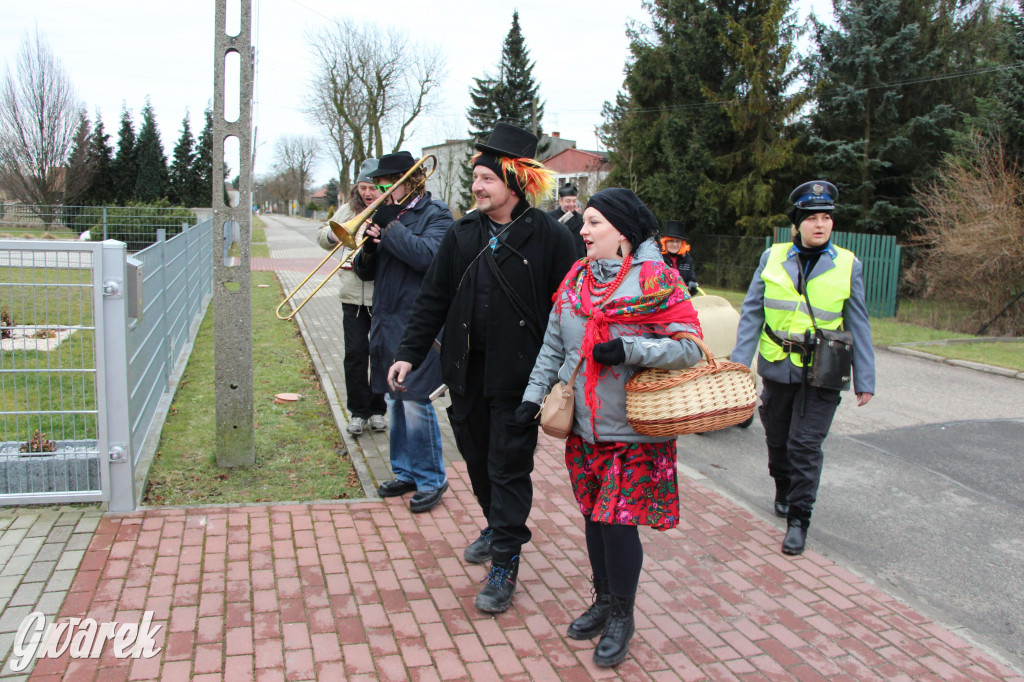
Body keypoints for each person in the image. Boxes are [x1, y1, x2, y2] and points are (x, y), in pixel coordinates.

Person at [387, 122, 577, 613]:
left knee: (508, 466)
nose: (477, 186)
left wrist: (566, 373)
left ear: (514, 182)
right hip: (465, 372)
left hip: (521, 379)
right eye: (475, 178)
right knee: (475, 459)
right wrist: (408, 352)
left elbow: (570, 311)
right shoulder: (462, 233)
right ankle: (496, 525)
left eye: (487, 179)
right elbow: (433, 298)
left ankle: (506, 560)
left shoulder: (552, 238)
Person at [519, 188, 704, 667]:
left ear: (622, 230)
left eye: (595, 222)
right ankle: (603, 601)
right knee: (595, 519)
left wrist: (630, 350)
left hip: (634, 431)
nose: (583, 230)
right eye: (584, 222)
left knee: (619, 524)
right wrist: (530, 399)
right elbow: (553, 349)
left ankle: (623, 613)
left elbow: (690, 348)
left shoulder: (656, 278)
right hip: (584, 429)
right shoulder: (578, 278)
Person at [731, 180, 875, 556]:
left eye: (826, 217)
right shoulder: (772, 257)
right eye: (812, 217)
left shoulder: (848, 264)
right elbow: (752, 313)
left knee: (805, 445)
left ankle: (799, 519)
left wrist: (866, 378)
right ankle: (782, 485)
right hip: (778, 365)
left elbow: (858, 323)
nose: (820, 224)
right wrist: (738, 365)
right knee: (777, 438)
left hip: (824, 371)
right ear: (798, 223)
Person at [351, 151, 453, 513]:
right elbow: (367, 274)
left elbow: (428, 257)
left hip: (418, 325)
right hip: (386, 319)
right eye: (379, 183)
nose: (379, 189)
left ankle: (431, 479)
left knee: (414, 401)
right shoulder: (389, 213)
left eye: (386, 182)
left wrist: (392, 228)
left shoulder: (436, 214)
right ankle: (406, 472)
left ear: (409, 180)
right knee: (394, 401)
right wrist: (367, 251)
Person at [316, 159, 386, 436]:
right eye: (364, 187)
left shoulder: (390, 209)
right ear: (357, 188)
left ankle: (378, 410)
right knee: (355, 355)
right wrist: (339, 235)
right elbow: (323, 235)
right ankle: (359, 412)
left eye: (373, 187)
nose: (368, 193)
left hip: (381, 295)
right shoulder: (348, 209)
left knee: (380, 356)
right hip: (352, 296)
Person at [661, 219, 698, 295]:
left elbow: (692, 280)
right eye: (671, 241)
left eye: (677, 241)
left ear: (682, 243)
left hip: (682, 298)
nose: (674, 244)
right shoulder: (658, 258)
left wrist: (692, 287)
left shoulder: (687, 259)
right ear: (665, 242)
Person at [548, 183, 585, 258]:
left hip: (579, 262)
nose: (571, 204)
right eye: (568, 201)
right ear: (560, 201)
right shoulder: (550, 218)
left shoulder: (582, 219)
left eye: (574, 201)